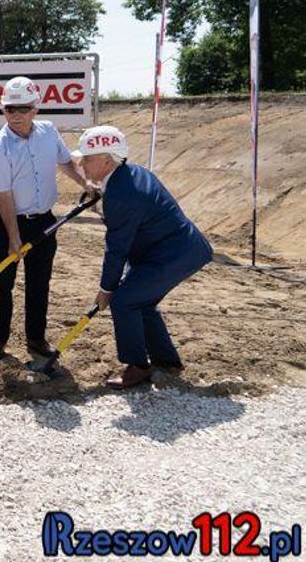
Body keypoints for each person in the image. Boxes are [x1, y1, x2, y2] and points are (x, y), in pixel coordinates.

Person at [73, 125, 212, 389]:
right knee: (141, 301)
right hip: (171, 249)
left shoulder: (124, 193)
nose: (80, 163)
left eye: (86, 158)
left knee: (124, 301)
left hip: (174, 253)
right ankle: (166, 362)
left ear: (106, 159)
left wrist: (107, 289)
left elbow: (117, 248)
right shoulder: (129, 174)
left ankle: (137, 366)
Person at [0, 76, 88, 361]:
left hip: (44, 221)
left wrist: (87, 185)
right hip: (6, 223)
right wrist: (14, 240)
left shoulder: (48, 132)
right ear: (3, 110)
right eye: (9, 109)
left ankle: (36, 338)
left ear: (35, 108)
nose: (16, 115)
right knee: (3, 284)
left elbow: (66, 162)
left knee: (39, 283)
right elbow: (4, 198)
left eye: (23, 108)